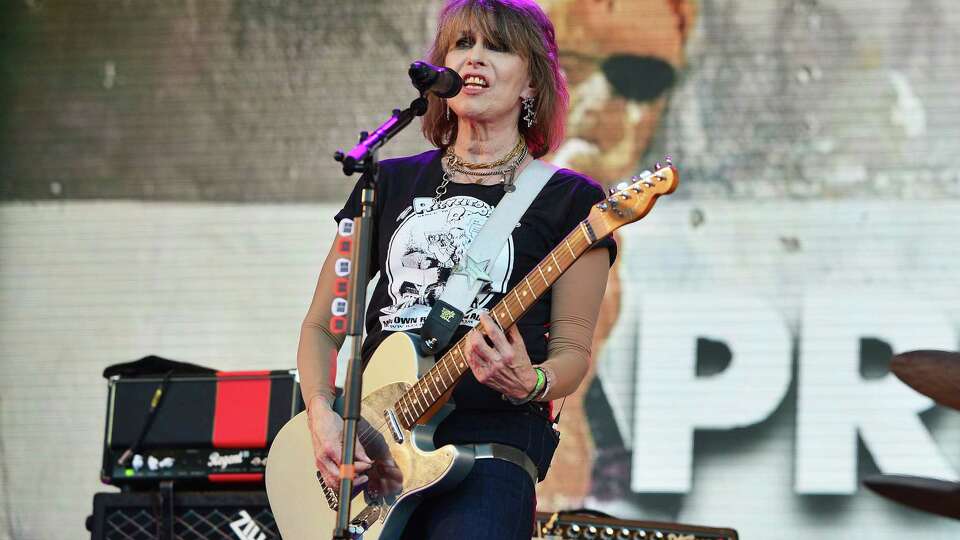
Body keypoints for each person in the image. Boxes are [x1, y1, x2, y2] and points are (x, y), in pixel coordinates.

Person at [296, 1, 616, 538]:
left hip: (489, 454)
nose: (475, 59)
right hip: (370, 458)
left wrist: (529, 381)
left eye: (498, 47)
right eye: (462, 44)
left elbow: (572, 355)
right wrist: (323, 416)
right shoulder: (386, 185)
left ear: (532, 84)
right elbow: (321, 326)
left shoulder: (571, 201)